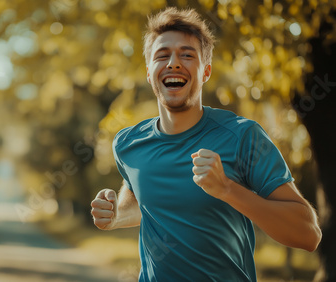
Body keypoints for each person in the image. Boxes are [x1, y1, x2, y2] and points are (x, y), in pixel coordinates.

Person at [90, 7, 322, 281]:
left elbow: (308, 235)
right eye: (162, 55)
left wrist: (226, 189)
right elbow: (144, 202)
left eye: (187, 55)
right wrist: (115, 214)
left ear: (206, 72)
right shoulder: (129, 143)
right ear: (149, 72)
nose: (174, 63)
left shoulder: (243, 137)